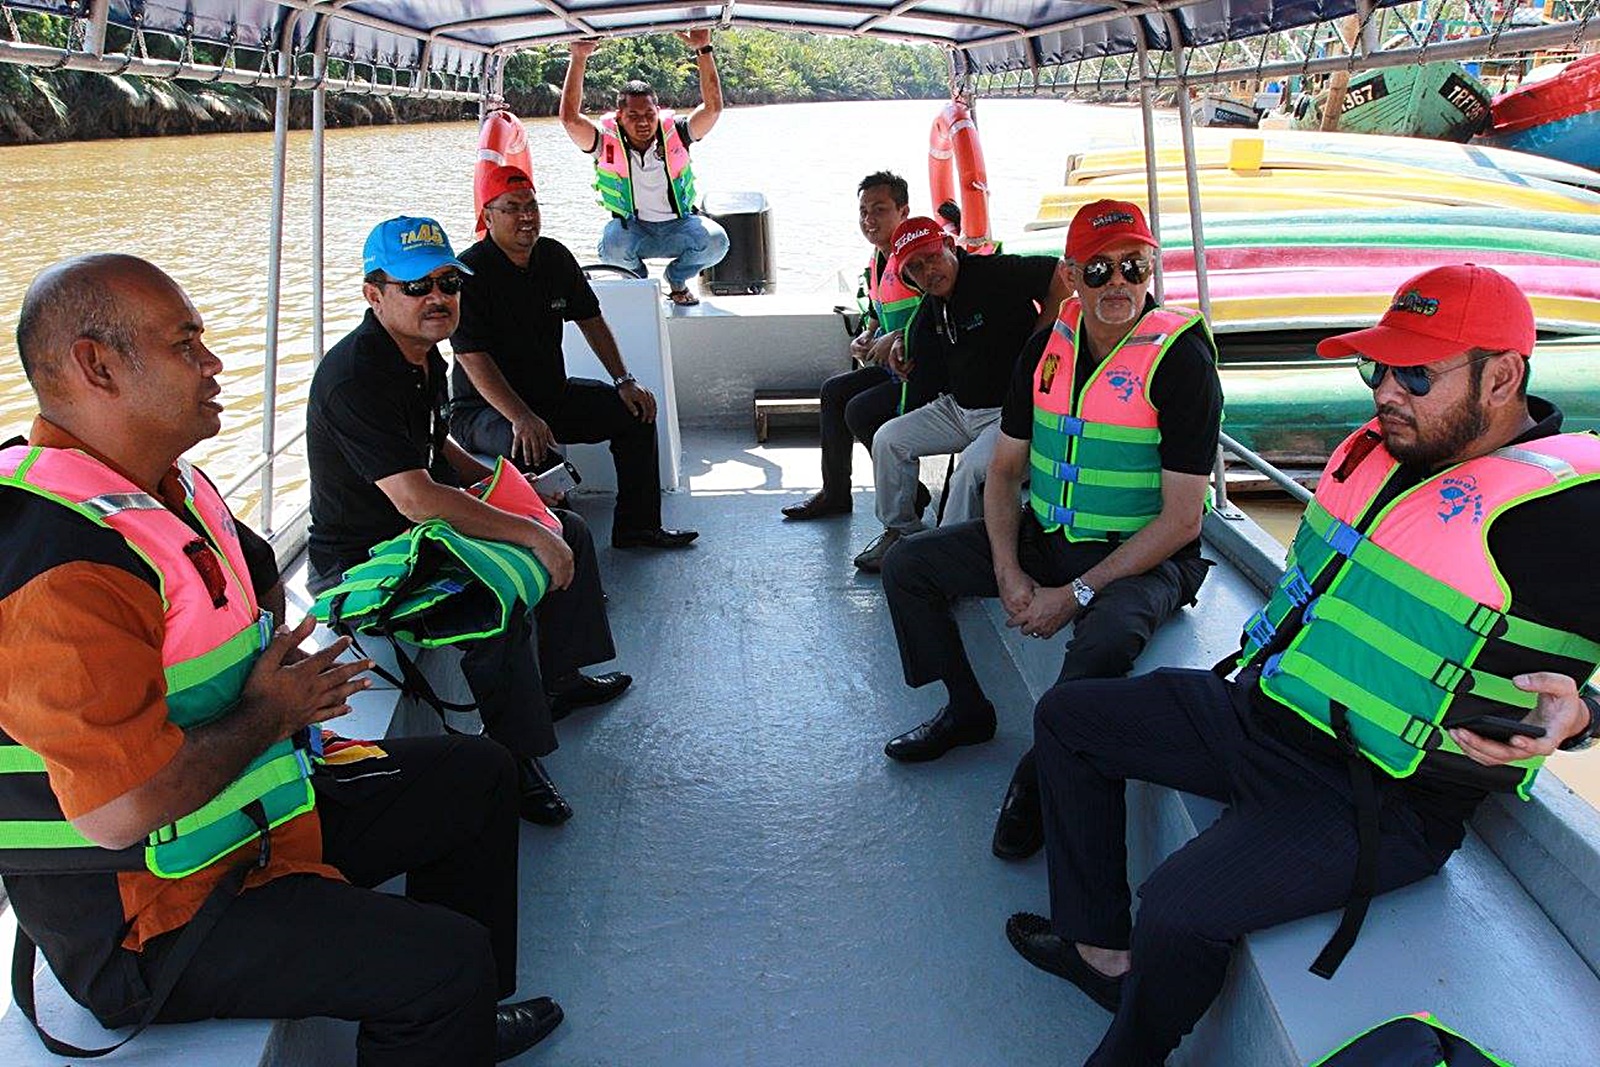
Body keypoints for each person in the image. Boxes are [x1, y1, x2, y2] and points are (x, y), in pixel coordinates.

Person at [1007, 264, 1600, 1067]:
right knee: (1070, 720)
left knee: (1178, 907)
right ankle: (1102, 956)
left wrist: (1584, 714)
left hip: (1380, 798)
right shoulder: (1385, 450)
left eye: (1415, 374)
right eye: (1378, 368)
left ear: (1502, 376)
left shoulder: (1570, 514)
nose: (1386, 392)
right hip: (1266, 714)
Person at [0, 254, 563, 1064]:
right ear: (97, 366)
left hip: (253, 817)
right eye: (185, 342)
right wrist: (274, 709)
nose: (213, 361)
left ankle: (468, 1020)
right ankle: (452, 1005)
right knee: (442, 965)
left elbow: (259, 584)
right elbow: (119, 810)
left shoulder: (165, 486)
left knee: (478, 777)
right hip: (154, 918)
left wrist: (277, 697)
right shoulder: (61, 563)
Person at [878, 202, 1219, 853]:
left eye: (1133, 266)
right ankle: (967, 709)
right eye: (1097, 269)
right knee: (908, 567)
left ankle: (1036, 776)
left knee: (1103, 643)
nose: (1116, 282)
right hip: (1048, 536)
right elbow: (1004, 473)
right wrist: (1007, 568)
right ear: (1071, 273)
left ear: (1152, 269)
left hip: (1143, 557)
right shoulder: (1046, 348)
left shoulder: (1180, 361)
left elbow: (1182, 520)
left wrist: (1078, 592)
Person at [308, 215, 633, 827]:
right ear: (373, 294)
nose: (438, 298)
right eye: (416, 287)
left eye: (449, 283)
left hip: (419, 532)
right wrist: (529, 532)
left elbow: (438, 456)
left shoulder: (421, 358)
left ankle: (560, 678)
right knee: (488, 599)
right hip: (364, 559)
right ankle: (516, 764)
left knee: (570, 529)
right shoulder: (358, 378)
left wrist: (515, 495)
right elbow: (415, 497)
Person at [449, 166, 698, 551]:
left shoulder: (553, 257)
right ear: (488, 216)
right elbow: (471, 358)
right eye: (512, 208)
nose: (526, 216)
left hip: (551, 396)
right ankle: (566, 562)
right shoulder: (469, 273)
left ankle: (638, 528)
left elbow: (592, 322)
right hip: (482, 411)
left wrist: (624, 381)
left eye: (531, 205)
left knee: (635, 414)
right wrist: (521, 417)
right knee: (534, 452)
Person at [852, 216, 1070, 572]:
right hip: (959, 409)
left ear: (950, 247)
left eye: (933, 257)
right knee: (889, 439)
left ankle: (944, 562)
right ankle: (902, 531)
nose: (928, 271)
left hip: (1008, 415)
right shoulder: (934, 298)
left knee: (968, 470)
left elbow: (1060, 273)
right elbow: (916, 338)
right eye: (916, 267)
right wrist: (900, 345)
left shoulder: (992, 273)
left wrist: (1041, 338)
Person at [782, 171, 929, 521]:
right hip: (892, 367)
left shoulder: (914, 261)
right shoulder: (878, 259)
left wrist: (897, 338)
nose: (869, 219)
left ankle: (911, 493)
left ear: (903, 212)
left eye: (879, 210)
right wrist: (868, 335)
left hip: (922, 371)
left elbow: (939, 310)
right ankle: (835, 494)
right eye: (863, 211)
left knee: (860, 411)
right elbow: (880, 310)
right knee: (833, 392)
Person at [560, 31, 730, 306]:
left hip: (679, 227)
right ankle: (639, 286)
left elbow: (712, 109)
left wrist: (704, 50)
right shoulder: (605, 142)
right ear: (619, 117)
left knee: (716, 241)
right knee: (612, 244)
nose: (643, 122)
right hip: (634, 230)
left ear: (658, 112)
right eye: (634, 116)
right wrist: (578, 57)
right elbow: (569, 119)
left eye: (649, 115)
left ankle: (676, 280)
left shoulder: (678, 133)